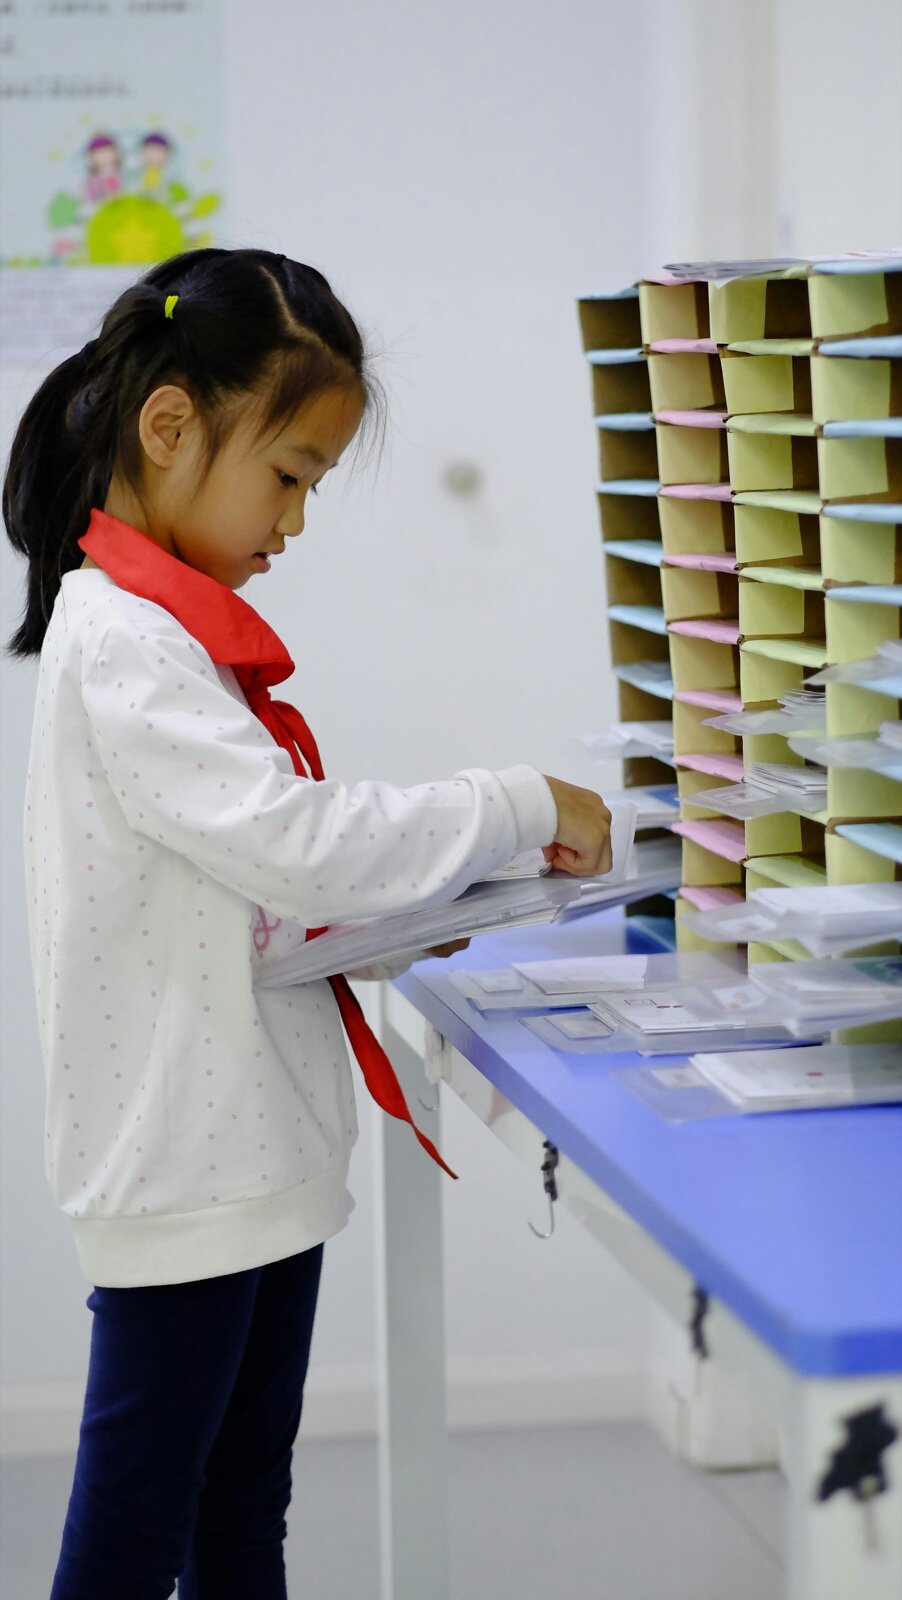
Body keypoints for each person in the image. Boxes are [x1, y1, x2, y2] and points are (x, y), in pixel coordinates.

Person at [2, 246, 612, 1600]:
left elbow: (250, 893)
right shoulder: (124, 639)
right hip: (188, 1168)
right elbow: (296, 841)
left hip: (249, 1152)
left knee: (237, 1518)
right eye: (289, 476)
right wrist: (513, 802)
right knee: (134, 1544)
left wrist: (404, 914)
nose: (296, 519)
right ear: (170, 427)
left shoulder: (167, 632)